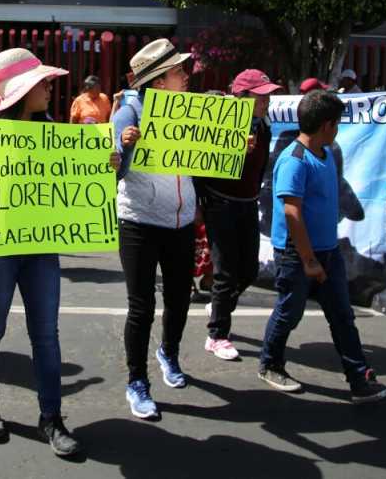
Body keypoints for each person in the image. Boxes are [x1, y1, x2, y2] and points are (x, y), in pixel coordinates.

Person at [0, 47, 85, 457]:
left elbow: (75, 183)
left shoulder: (53, 133)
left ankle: (52, 417)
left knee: (46, 334)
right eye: (42, 82)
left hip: (40, 246)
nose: (49, 88)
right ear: (22, 91)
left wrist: (103, 163)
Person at [258, 89, 386, 403]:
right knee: (288, 313)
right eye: (336, 123)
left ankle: (359, 379)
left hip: (328, 252)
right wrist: (309, 261)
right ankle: (270, 364)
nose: (337, 128)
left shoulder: (327, 154)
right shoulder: (294, 159)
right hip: (297, 256)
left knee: (342, 317)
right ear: (327, 125)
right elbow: (291, 212)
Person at [112, 38, 196, 420]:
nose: (186, 76)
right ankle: (137, 381)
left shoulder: (192, 110)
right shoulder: (128, 112)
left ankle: (169, 352)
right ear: (159, 81)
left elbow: (210, 157)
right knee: (141, 307)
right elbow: (112, 169)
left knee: (180, 298)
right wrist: (123, 148)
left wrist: (234, 149)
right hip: (140, 223)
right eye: (180, 71)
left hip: (182, 220)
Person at [194, 69, 281, 361]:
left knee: (249, 271)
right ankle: (217, 335)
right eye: (260, 95)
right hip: (220, 204)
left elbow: (256, 172)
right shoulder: (219, 123)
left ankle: (220, 304)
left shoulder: (264, 126)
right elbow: (200, 164)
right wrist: (233, 151)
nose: (266, 100)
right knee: (226, 272)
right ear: (240, 97)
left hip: (247, 203)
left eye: (268, 95)